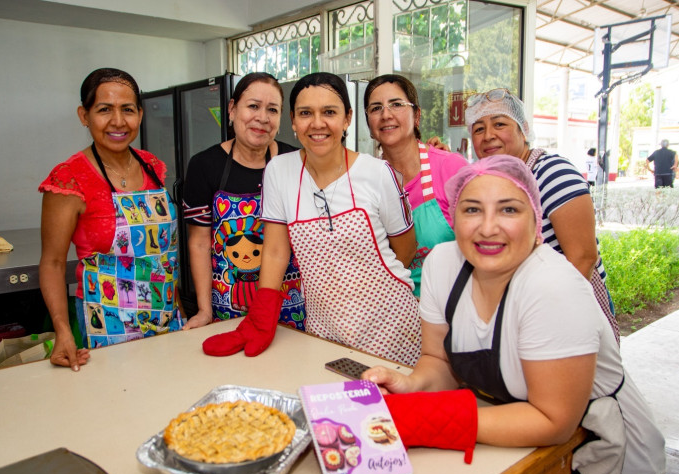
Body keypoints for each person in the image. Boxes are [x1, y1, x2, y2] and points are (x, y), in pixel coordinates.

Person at [363, 155, 665, 474]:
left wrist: (431, 418)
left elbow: (554, 421)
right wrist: (411, 386)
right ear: (453, 217)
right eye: (472, 209)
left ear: (536, 220)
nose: (488, 227)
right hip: (512, 451)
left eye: (508, 209)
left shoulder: (552, 287)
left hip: (599, 465)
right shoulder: (443, 264)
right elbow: (438, 361)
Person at [202, 72, 421, 366]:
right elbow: (276, 251)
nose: (317, 123)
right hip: (323, 329)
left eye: (329, 112)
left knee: (387, 397)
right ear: (293, 120)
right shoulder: (279, 171)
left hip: (390, 326)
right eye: (306, 113)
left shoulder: (377, 173)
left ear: (347, 118)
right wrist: (261, 317)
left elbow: (405, 249)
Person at [39, 68, 183, 371]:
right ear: (84, 115)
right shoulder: (69, 179)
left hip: (166, 315)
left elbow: (163, 256)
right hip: (108, 322)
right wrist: (63, 332)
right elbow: (52, 263)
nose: (118, 121)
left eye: (127, 110)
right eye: (105, 110)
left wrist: (180, 310)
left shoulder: (152, 166)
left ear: (140, 114)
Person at [465, 88, 619, 341]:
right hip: (521, 311)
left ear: (524, 129)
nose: (488, 135)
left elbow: (583, 258)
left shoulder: (552, 172)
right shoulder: (492, 182)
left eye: (499, 124)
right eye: (478, 129)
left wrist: (549, 319)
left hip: (564, 309)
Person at [181, 73, 305, 331]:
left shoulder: (296, 162)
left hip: (290, 307)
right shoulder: (204, 165)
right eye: (253, 106)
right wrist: (204, 311)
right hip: (229, 306)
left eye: (272, 110)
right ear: (232, 109)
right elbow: (200, 242)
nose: (262, 117)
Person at [363, 74, 468, 296]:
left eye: (396, 104)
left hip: (450, 306)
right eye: (376, 108)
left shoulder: (450, 168)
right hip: (391, 307)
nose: (386, 115)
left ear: (416, 115)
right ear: (369, 125)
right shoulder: (365, 181)